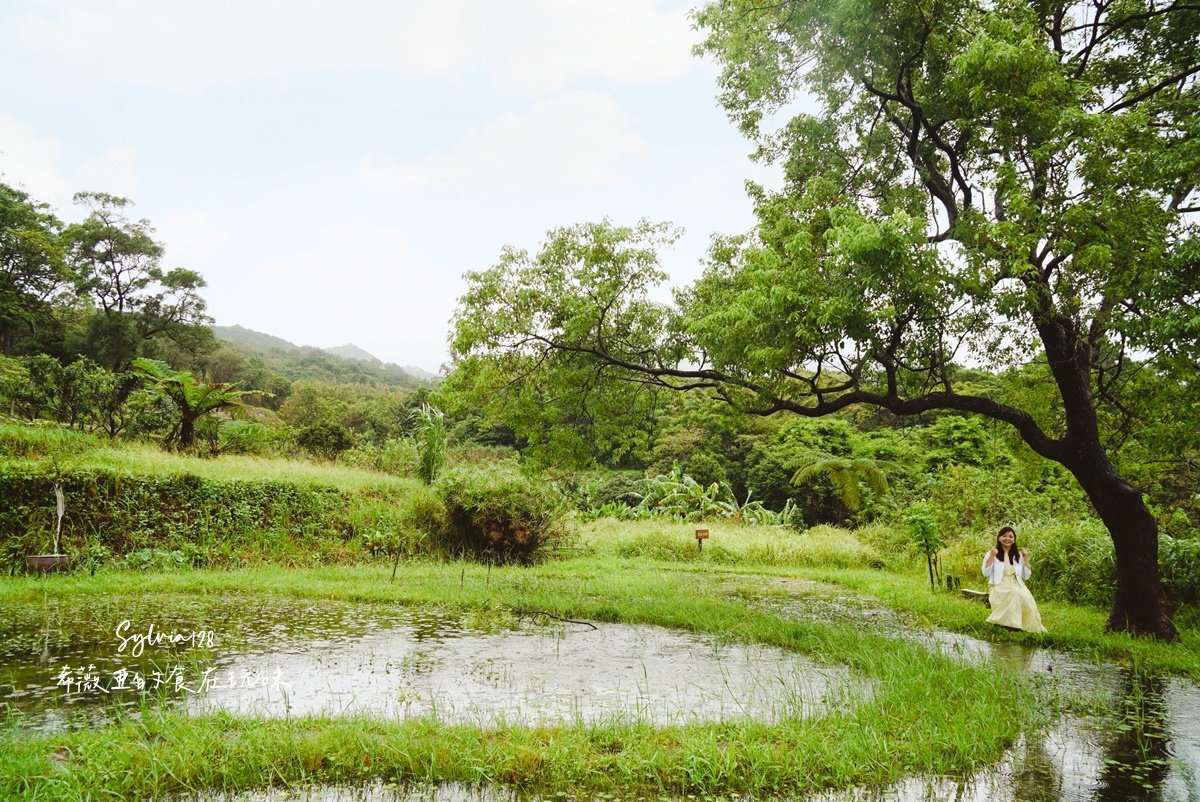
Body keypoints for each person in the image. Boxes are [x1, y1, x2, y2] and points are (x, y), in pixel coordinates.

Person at [982, 526, 1047, 633]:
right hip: (999, 585)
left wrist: (1026, 559)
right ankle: (1011, 626)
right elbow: (985, 573)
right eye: (1004, 536)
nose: (1007, 538)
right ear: (999, 538)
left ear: (1014, 540)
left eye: (1011, 536)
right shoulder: (992, 553)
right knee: (1014, 594)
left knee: (1028, 599)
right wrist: (992, 556)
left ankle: (1025, 626)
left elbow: (1026, 576)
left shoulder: (1017, 555)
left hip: (1016, 583)